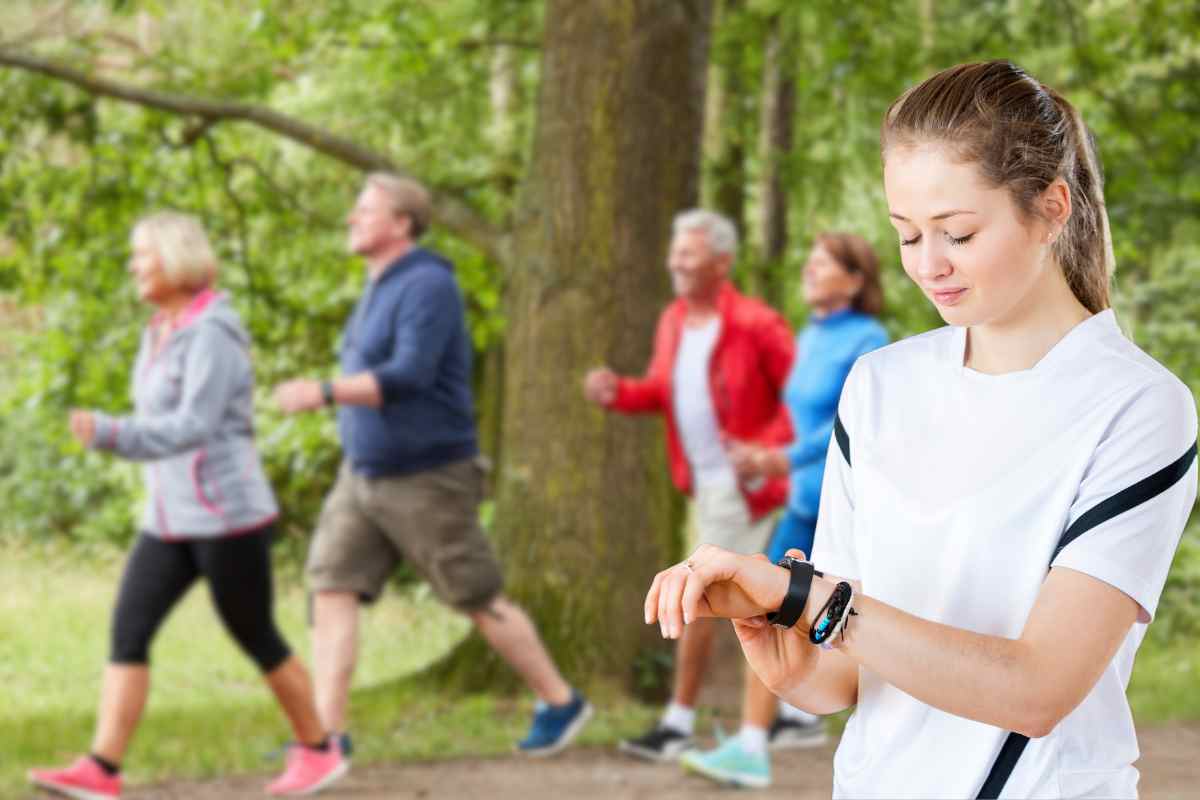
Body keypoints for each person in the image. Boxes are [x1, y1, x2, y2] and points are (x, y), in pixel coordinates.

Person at [646, 60, 1197, 799]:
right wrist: (786, 648)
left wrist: (815, 601)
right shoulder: (881, 386)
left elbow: (1037, 691)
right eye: (907, 237)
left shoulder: (1137, 407)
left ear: (1053, 207)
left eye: (958, 233)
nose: (928, 266)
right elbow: (844, 673)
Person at [273, 173, 591, 763]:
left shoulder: (427, 285)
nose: (352, 218)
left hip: (426, 475)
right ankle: (326, 738)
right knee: (332, 587)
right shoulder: (377, 285)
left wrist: (322, 391)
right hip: (362, 472)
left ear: (402, 223)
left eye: (365, 210)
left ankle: (559, 699)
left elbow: (408, 375)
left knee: (476, 595)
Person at [29, 212, 346, 800]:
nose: (134, 266)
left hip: (227, 516)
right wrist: (121, 434)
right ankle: (102, 767)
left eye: (142, 255)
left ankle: (319, 750)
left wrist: (112, 433)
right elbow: (159, 420)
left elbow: (193, 425)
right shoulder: (158, 329)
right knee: (129, 630)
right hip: (168, 518)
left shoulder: (214, 332)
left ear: (176, 259)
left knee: (254, 633)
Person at [583, 209, 795, 762]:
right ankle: (789, 711)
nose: (676, 261)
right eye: (675, 250)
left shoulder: (755, 323)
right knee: (750, 590)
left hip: (742, 485)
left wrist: (766, 454)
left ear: (721, 263)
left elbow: (802, 401)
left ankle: (682, 722)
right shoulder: (674, 320)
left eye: (689, 252)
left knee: (698, 590)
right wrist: (620, 393)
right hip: (704, 483)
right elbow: (661, 388)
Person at [681, 233, 889, 788]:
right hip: (798, 494)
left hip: (835, 498)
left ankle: (763, 739)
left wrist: (782, 458)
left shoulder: (868, 338)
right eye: (810, 259)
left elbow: (844, 423)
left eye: (824, 262)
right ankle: (791, 716)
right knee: (769, 601)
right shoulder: (811, 337)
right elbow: (794, 418)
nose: (810, 269)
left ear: (855, 279)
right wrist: (759, 454)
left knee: (771, 598)